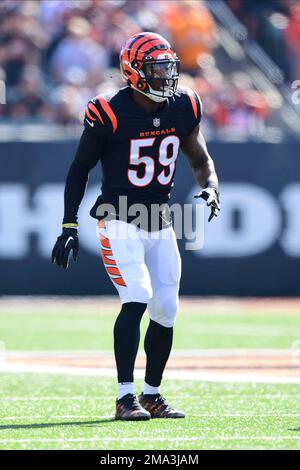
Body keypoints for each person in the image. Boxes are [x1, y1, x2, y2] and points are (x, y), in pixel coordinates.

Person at [52, 32, 220, 421]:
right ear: (134, 71)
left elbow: (200, 157)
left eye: (168, 67)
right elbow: (80, 168)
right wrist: (68, 224)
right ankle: (124, 396)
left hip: (159, 220)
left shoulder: (184, 105)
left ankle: (152, 395)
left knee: (167, 308)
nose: (166, 76)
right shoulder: (109, 110)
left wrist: (210, 187)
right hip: (117, 217)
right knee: (138, 296)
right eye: (157, 69)